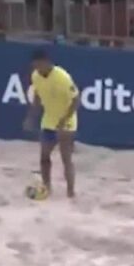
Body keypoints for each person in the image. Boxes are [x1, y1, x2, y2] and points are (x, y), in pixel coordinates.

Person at [24, 48, 79, 198]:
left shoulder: (62, 77)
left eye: (39, 65)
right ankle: (47, 188)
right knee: (44, 157)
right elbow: (37, 97)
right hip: (49, 120)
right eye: (34, 66)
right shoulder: (36, 76)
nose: (37, 69)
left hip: (67, 121)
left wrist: (64, 120)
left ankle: (71, 193)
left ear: (47, 62)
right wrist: (31, 117)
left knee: (65, 158)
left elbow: (76, 100)